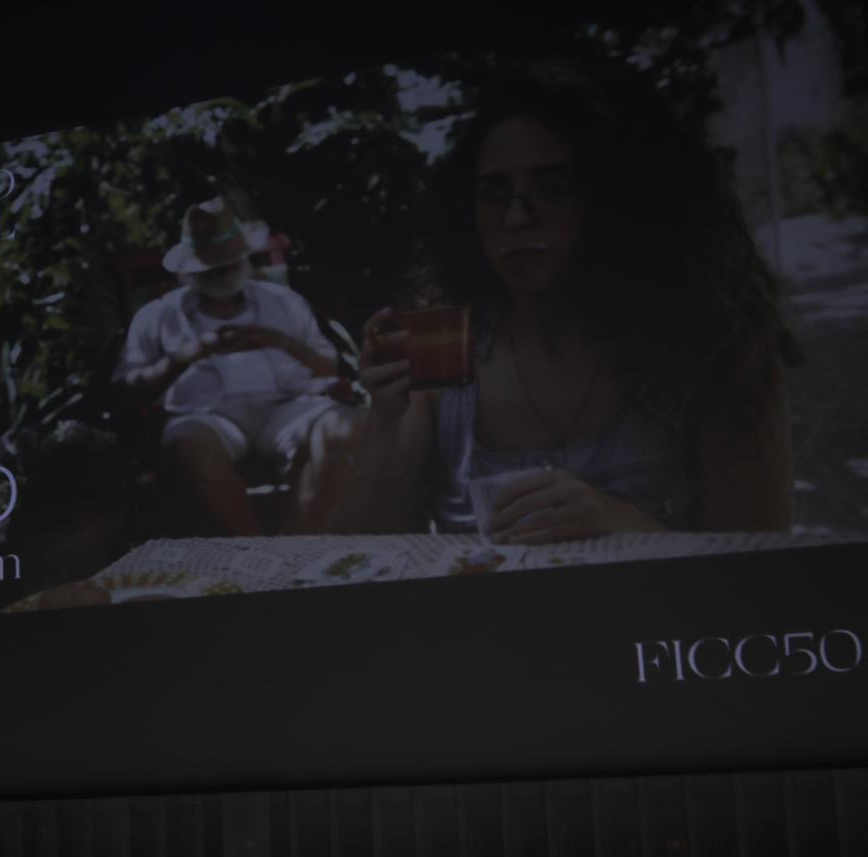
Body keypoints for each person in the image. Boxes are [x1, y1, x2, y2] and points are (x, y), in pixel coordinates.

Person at [338, 61, 791, 540]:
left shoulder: (714, 349)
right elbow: (359, 562)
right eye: (493, 193)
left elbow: (758, 575)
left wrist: (619, 521)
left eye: (554, 186)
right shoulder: (443, 350)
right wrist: (385, 424)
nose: (516, 217)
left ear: (623, 196)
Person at [114, 197, 349, 536]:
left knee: (344, 426)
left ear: (245, 260)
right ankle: (255, 548)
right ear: (191, 270)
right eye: (212, 267)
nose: (223, 273)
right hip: (206, 416)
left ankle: (298, 542)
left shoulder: (282, 301)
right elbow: (125, 390)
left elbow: (330, 368)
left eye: (230, 263)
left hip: (285, 407)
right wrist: (188, 355)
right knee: (188, 445)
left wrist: (277, 341)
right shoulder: (159, 315)